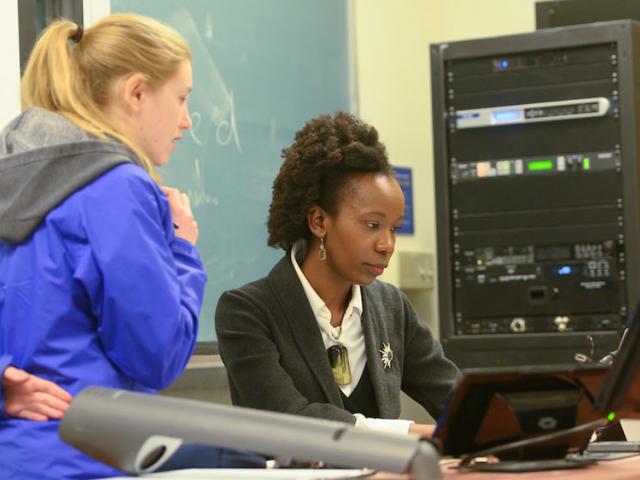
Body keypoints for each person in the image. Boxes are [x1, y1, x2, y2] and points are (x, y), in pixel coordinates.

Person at [0, 14, 206, 479]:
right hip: (87, 457)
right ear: (136, 93)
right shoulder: (117, 188)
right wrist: (182, 250)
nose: (187, 120)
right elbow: (155, 356)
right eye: (181, 97)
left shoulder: (7, 176)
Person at [215, 112, 461, 436]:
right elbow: (292, 420)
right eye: (372, 225)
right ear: (319, 221)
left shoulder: (392, 307)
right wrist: (417, 433)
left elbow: (459, 402)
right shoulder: (247, 312)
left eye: (394, 229)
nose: (387, 244)